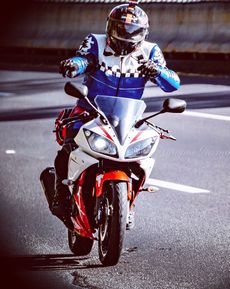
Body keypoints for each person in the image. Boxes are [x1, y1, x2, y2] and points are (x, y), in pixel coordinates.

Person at [51, 2, 180, 229]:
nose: (126, 36)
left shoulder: (151, 51)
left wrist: (158, 72)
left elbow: (173, 84)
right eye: (121, 29)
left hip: (127, 117)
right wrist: (74, 65)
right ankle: (60, 193)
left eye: (133, 31)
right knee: (68, 146)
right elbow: (83, 59)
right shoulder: (95, 41)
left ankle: (129, 203)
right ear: (110, 27)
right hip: (90, 109)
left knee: (140, 158)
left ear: (144, 33)